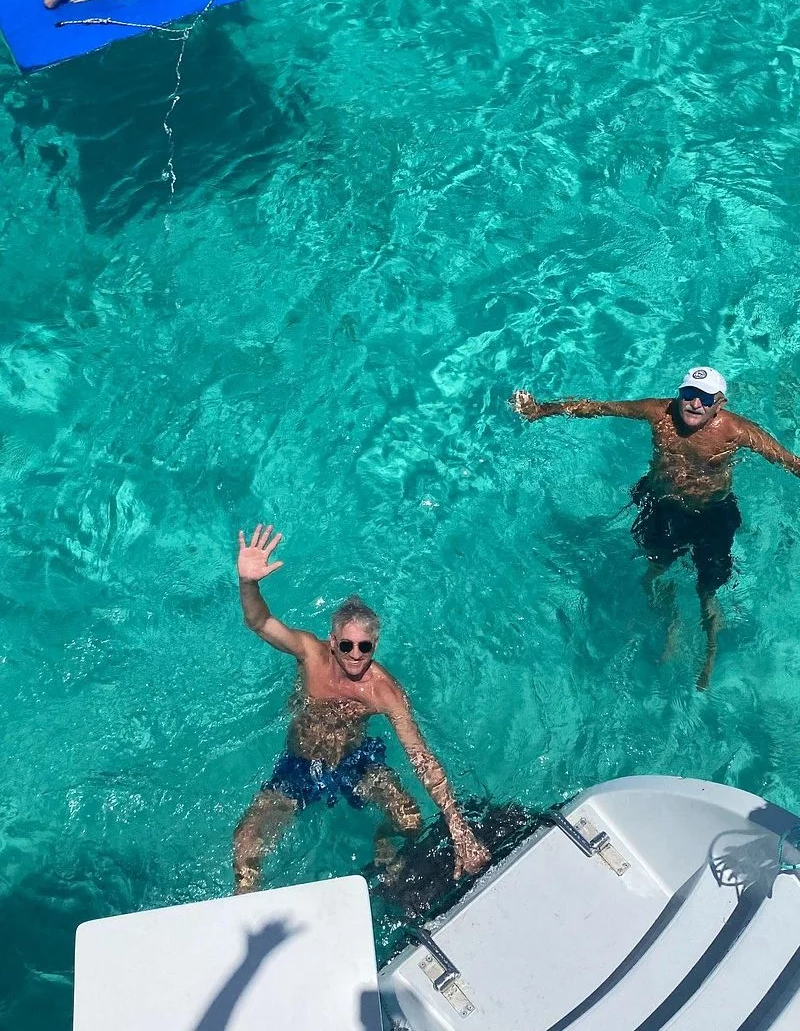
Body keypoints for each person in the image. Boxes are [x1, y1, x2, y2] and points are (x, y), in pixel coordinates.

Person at [233, 524, 491, 894]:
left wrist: (457, 826)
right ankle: (245, 905)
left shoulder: (384, 690)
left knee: (411, 822)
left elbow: (420, 756)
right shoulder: (310, 654)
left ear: (375, 644)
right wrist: (248, 583)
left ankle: (382, 841)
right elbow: (258, 622)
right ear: (333, 641)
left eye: (365, 647)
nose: (355, 655)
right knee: (245, 840)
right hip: (299, 763)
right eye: (347, 645)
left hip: (356, 763)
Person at [511, 366, 800, 687]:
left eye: (705, 398)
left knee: (707, 589)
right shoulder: (657, 412)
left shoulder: (737, 431)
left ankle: (711, 650)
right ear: (679, 394)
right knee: (653, 569)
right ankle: (671, 620)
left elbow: (789, 461)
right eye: (689, 394)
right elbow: (602, 408)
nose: (695, 404)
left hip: (712, 514)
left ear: (720, 403)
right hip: (661, 504)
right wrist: (541, 411)